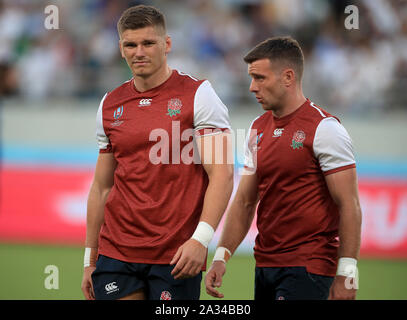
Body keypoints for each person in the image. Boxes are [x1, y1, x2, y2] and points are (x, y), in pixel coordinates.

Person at [81, 5, 233, 300]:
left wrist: (200, 240)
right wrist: (90, 258)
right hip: (116, 252)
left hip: (175, 254)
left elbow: (222, 175)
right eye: (131, 45)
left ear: (167, 44)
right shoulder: (110, 104)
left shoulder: (199, 95)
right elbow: (102, 187)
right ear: (121, 49)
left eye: (148, 43)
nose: (139, 52)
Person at [205, 36, 362, 300]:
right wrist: (221, 256)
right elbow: (244, 201)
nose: (252, 87)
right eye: (251, 78)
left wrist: (347, 272)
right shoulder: (257, 128)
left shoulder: (325, 129)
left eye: (260, 78)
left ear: (288, 77)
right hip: (265, 265)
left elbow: (349, 204)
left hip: (308, 266)